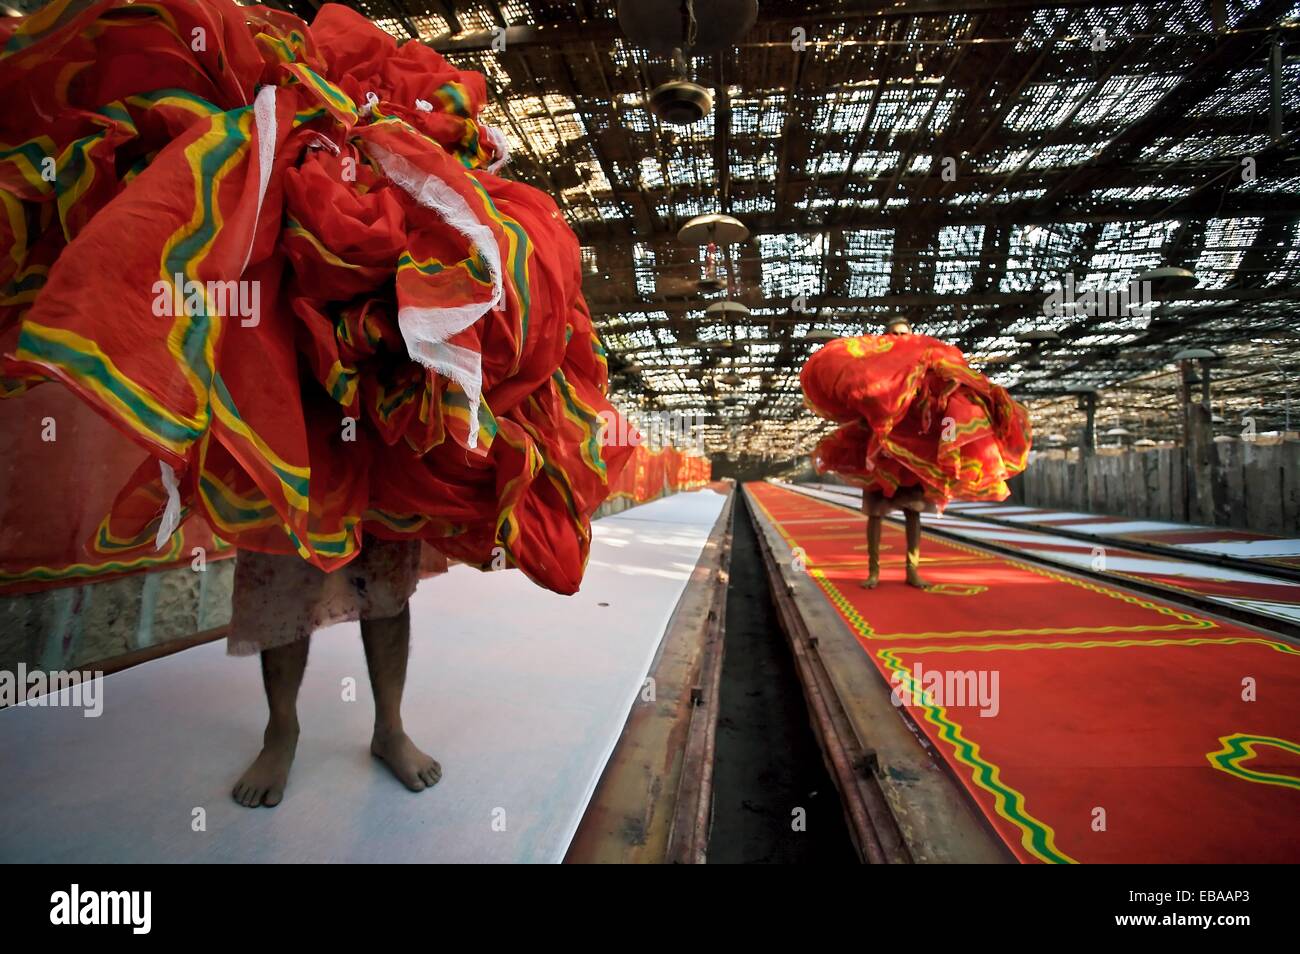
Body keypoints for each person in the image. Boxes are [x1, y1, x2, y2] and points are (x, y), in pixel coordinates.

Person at [800, 316, 1031, 591]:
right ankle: (873, 572)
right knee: (875, 514)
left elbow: (945, 394)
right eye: (894, 334)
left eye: (904, 333)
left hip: (914, 458)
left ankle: (913, 571)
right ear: (885, 338)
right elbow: (860, 402)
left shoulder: (926, 363)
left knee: (913, 513)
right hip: (881, 454)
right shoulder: (871, 370)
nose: (900, 338)